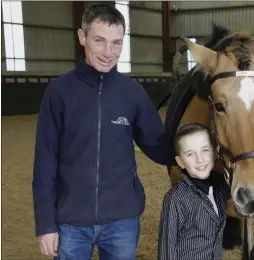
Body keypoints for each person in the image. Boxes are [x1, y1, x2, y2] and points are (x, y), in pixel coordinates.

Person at [32, 3, 175, 259]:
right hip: (70, 223)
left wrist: (201, 147)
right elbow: (45, 161)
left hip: (122, 221)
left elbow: (160, 147)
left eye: (117, 42)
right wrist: (45, 224)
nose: (109, 52)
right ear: (82, 37)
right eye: (100, 41)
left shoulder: (133, 94)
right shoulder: (59, 92)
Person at [157, 123, 230, 260]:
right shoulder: (175, 198)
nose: (200, 159)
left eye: (205, 150)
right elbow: (167, 248)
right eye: (190, 154)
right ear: (180, 162)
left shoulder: (220, 186)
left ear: (215, 153)